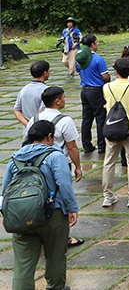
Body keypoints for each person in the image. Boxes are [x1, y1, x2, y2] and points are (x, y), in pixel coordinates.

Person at [3, 120, 80, 290]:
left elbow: (5, 189)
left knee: (23, 264)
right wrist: (72, 208)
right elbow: (64, 184)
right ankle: (56, 287)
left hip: (21, 216)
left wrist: (4, 212)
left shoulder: (15, 158)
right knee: (55, 256)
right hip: (53, 215)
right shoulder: (55, 156)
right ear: (50, 136)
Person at [101, 57, 129, 208]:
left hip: (112, 127)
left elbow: (106, 104)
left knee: (109, 161)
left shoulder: (106, 87)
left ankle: (108, 196)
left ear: (115, 71)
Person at [76, 34, 111, 154]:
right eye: (97, 42)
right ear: (92, 44)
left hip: (85, 89)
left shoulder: (80, 59)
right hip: (97, 90)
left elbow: (79, 73)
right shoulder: (98, 59)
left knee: (86, 119)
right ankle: (102, 145)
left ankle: (87, 145)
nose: (98, 44)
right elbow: (105, 76)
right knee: (100, 118)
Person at [13, 60, 49, 127]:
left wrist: (28, 125)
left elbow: (17, 110)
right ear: (45, 73)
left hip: (28, 131)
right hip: (42, 129)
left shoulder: (24, 90)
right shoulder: (47, 91)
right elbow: (44, 112)